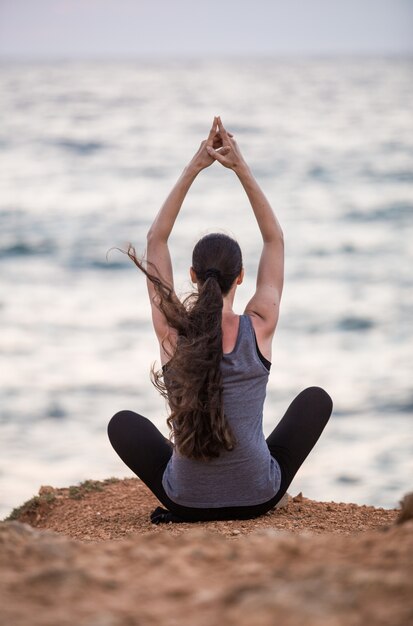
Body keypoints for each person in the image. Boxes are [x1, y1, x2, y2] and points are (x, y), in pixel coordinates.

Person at [108, 116, 333, 524]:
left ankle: (199, 482)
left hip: (185, 501)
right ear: (241, 277)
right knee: (316, 399)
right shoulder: (259, 323)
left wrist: (195, 166)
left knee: (122, 424)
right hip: (258, 496)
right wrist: (241, 168)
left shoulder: (172, 333)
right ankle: (246, 469)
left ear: (192, 277)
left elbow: (155, 240)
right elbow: (274, 239)